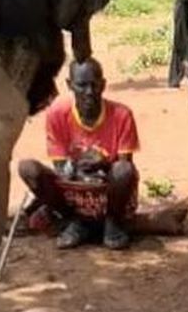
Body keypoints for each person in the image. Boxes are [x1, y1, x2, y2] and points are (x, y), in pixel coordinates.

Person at [18, 59, 140, 250]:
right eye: (82, 85)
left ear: (103, 84)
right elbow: (60, 168)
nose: (89, 92)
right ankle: (74, 221)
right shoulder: (57, 114)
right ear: (69, 85)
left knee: (123, 170)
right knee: (27, 168)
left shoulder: (121, 114)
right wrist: (77, 167)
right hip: (74, 194)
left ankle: (112, 222)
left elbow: (125, 168)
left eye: (94, 84)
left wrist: (104, 163)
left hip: (109, 196)